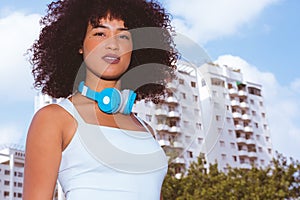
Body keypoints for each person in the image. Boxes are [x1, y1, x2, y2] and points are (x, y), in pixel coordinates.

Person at [23, 0, 178, 199]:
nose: (113, 44)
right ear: (79, 44)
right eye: (100, 33)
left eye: (123, 35)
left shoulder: (146, 129)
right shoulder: (54, 119)